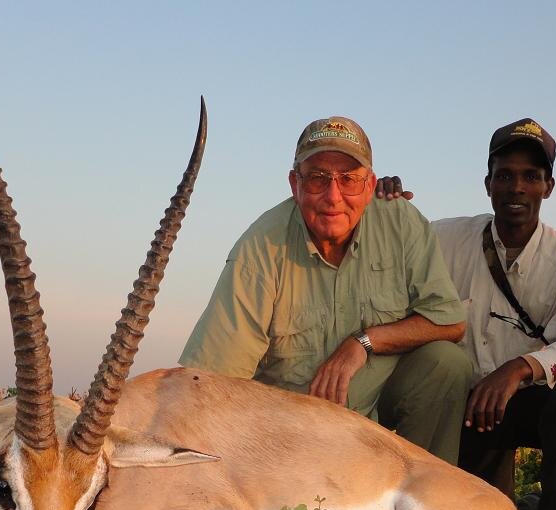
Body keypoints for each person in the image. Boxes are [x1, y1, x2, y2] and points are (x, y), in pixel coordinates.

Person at [377, 119, 556, 510]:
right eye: (505, 175)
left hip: (530, 401)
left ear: (549, 186)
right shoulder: (443, 238)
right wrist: (382, 204)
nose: (516, 188)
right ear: (487, 183)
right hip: (465, 409)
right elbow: (384, 252)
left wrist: (519, 369)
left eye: (530, 177)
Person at [180, 117, 472, 463]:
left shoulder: (401, 221)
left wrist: (363, 342)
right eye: (318, 178)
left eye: (348, 180)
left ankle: (430, 496)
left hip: (377, 406)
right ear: (295, 183)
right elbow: (208, 382)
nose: (333, 197)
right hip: (293, 429)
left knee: (447, 364)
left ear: (369, 185)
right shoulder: (259, 248)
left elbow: (450, 321)